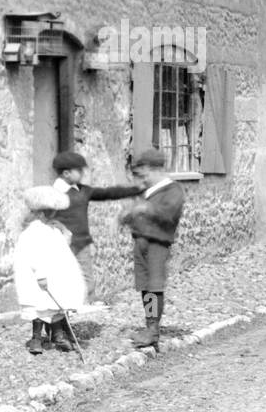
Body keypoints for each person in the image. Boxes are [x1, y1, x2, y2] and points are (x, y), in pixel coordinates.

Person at [50, 150, 144, 302]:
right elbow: (48, 219)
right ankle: (61, 309)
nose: (83, 173)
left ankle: (88, 303)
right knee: (60, 276)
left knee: (87, 277)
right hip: (60, 244)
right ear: (66, 173)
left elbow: (108, 193)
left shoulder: (83, 191)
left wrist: (135, 189)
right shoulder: (52, 193)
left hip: (81, 243)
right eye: (79, 170)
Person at [119, 149, 186, 349]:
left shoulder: (173, 190)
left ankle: (153, 330)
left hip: (157, 244)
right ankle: (149, 325)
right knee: (145, 286)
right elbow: (138, 213)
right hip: (140, 242)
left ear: (155, 170)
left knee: (154, 285)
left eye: (144, 174)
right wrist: (126, 216)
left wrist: (146, 209)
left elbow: (169, 214)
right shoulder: (147, 192)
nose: (142, 179)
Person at [12, 185, 86, 354]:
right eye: (52, 212)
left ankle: (58, 335)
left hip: (51, 277)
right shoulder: (34, 231)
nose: (55, 215)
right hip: (37, 278)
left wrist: (64, 231)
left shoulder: (52, 229)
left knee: (52, 305)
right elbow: (34, 255)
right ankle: (36, 338)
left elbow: (62, 248)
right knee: (38, 307)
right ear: (42, 212)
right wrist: (40, 275)